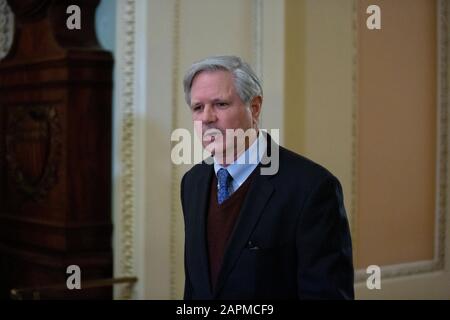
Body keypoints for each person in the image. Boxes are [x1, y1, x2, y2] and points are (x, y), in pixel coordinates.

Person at [180, 55, 354, 299]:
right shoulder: (193, 182)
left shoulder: (311, 188)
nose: (207, 118)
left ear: (255, 107)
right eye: (198, 107)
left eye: (220, 104)